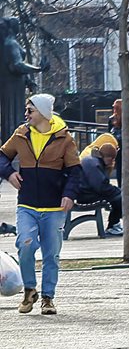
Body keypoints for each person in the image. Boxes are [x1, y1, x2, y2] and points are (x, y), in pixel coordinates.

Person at [0, 93, 81, 315]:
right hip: (27, 204)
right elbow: (2, 156)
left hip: (54, 207)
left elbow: (75, 171)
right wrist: (9, 173)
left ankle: (48, 298)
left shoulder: (64, 139)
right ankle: (29, 291)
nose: (26, 114)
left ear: (43, 113)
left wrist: (69, 194)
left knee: (51, 254)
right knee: (25, 246)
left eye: (30, 110)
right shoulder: (21, 134)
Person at [0, 17, 49, 143]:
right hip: (12, 87)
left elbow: (15, 67)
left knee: (14, 114)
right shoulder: (11, 44)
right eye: (17, 25)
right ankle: (14, 145)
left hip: (13, 84)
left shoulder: (8, 43)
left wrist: (28, 81)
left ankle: (13, 144)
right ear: (12, 28)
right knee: (14, 114)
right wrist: (38, 69)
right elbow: (17, 65)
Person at [77, 143, 126, 236]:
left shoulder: (93, 160)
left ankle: (114, 224)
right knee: (120, 198)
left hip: (84, 192)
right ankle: (113, 225)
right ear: (107, 157)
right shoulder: (94, 164)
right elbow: (101, 187)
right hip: (86, 195)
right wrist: (117, 191)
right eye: (112, 159)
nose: (112, 162)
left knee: (119, 197)